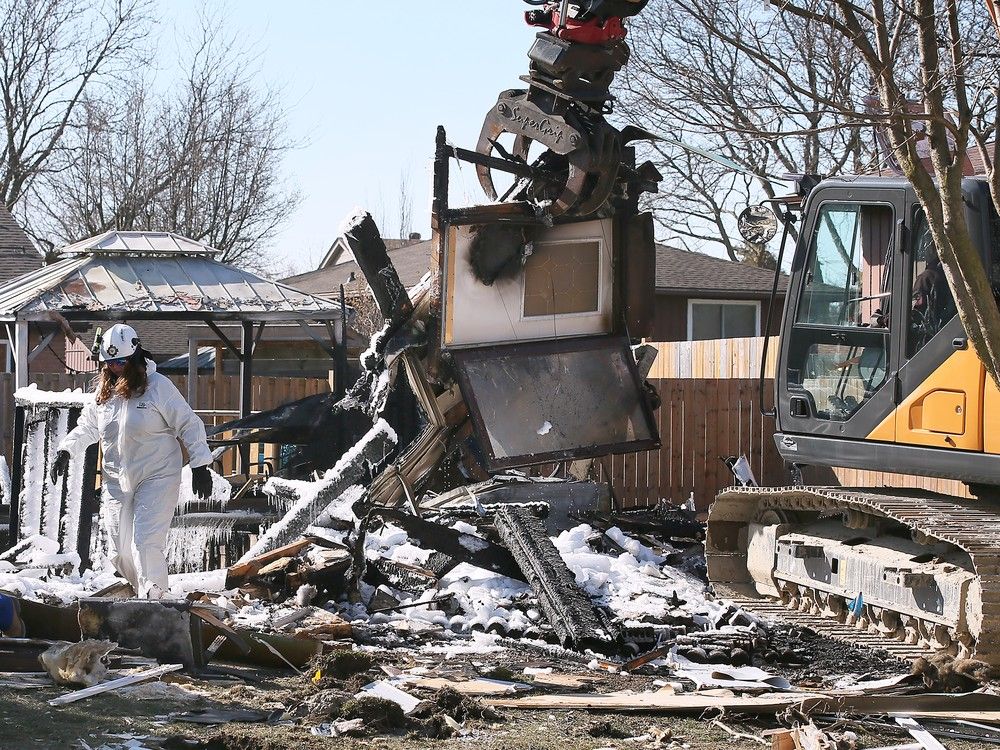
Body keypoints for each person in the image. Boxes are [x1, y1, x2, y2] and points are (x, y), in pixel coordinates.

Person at [51, 323, 214, 599]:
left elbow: (188, 423)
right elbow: (89, 427)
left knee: (145, 544)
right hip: (117, 480)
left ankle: (157, 601)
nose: (115, 367)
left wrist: (200, 464)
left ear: (135, 356)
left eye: (121, 361)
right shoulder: (105, 393)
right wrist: (66, 449)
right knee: (119, 551)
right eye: (110, 362)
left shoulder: (158, 387)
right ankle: (144, 593)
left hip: (157, 475)